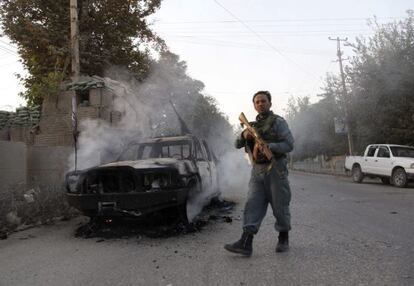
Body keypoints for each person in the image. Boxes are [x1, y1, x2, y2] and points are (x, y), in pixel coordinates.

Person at [224, 90, 294, 256]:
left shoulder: (278, 122)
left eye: (263, 101)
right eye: (257, 102)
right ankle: (246, 243)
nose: (260, 104)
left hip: (276, 168)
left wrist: (270, 147)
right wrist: (244, 134)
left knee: (280, 205)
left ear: (270, 103)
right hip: (257, 171)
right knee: (252, 204)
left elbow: (289, 144)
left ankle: (283, 237)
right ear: (254, 106)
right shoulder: (252, 126)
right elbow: (236, 144)